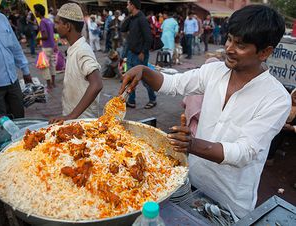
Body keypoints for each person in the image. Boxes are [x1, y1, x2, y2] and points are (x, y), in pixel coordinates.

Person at [119, 5, 291, 218]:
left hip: (229, 203)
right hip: (189, 183)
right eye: (229, 39)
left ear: (265, 52)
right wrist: (144, 71)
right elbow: (173, 83)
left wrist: (193, 145)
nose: (229, 48)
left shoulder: (276, 98)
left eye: (240, 45)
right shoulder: (214, 71)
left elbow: (245, 152)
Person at [0, 0, 33, 124]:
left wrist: (25, 71)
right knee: (2, 125)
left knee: (19, 118)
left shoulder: (1, 18)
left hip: (12, 81)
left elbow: (15, 46)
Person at [50, 3, 102, 123]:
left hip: (83, 121)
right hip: (74, 118)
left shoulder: (82, 50)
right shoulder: (74, 48)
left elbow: (97, 84)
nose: (55, 26)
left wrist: (71, 116)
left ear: (67, 26)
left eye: (58, 23)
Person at [120, 0, 156, 109]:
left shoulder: (142, 20)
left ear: (132, 5)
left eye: (128, 4)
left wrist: (143, 52)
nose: (127, 6)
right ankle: (131, 101)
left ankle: (153, 99)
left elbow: (149, 38)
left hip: (139, 55)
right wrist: (130, 16)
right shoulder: (133, 19)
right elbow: (123, 28)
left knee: (145, 79)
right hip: (131, 53)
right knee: (130, 78)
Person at [267, 88, 296, 165]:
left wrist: (292, 128)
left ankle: (270, 156)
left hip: (289, 129)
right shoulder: (283, 100)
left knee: (280, 133)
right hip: (275, 123)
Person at [34, 3, 56, 90]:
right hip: (52, 45)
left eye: (35, 11)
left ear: (39, 12)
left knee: (45, 66)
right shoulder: (48, 20)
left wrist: (38, 38)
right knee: (52, 65)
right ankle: (53, 83)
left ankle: (49, 85)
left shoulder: (42, 22)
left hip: (46, 46)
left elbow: (45, 36)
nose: (34, 13)